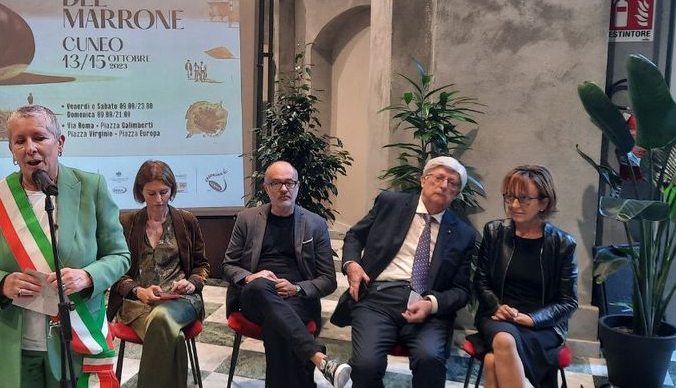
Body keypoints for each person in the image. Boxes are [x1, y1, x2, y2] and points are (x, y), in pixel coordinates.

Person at [0, 105, 130, 388]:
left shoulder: (91, 188)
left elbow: (119, 255)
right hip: (13, 343)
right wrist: (0, 284)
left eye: (39, 137)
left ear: (59, 143)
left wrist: (87, 276)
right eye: (20, 141)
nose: (30, 148)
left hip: (74, 340)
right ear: (11, 150)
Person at [332, 156, 478, 387]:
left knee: (430, 359)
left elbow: (461, 290)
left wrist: (431, 304)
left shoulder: (463, 234)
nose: (444, 185)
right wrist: (352, 264)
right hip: (378, 298)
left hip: (427, 307)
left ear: (457, 193)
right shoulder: (390, 203)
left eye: (452, 183)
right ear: (423, 180)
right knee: (365, 365)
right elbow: (354, 236)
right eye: (439, 178)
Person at [222, 161, 350, 388]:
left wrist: (297, 288)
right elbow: (228, 265)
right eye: (276, 183)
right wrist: (251, 277)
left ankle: (315, 365)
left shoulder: (315, 224)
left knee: (277, 329)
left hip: (296, 298)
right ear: (266, 188)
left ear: (297, 186)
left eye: (289, 183)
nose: (284, 189)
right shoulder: (247, 219)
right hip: (253, 297)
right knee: (260, 286)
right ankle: (317, 356)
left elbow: (328, 280)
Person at [108, 160, 210, 388]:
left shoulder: (186, 221)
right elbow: (115, 272)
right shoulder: (127, 223)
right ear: (140, 192)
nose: (158, 200)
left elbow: (202, 265)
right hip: (137, 303)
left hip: (180, 300)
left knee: (162, 317)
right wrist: (138, 291)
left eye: (164, 192)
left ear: (172, 189)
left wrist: (192, 283)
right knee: (175, 338)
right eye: (151, 193)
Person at [474, 165, 578, 388]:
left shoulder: (562, 244)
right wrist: (496, 307)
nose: (513, 205)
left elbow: (569, 302)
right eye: (509, 197)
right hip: (498, 318)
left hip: (543, 325)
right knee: (504, 339)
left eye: (523, 199)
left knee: (492, 361)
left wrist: (532, 319)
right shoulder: (494, 232)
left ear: (543, 203)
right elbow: (481, 281)